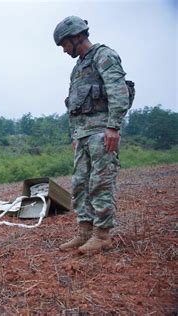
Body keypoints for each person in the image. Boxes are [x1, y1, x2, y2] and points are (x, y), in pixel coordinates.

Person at [54, 16, 132, 253]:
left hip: (102, 132)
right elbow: (74, 106)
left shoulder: (104, 56)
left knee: (100, 183)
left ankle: (102, 235)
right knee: (80, 185)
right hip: (84, 135)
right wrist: (75, 136)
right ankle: (85, 232)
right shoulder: (78, 68)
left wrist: (113, 127)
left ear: (77, 37)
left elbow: (119, 92)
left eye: (65, 44)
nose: (64, 50)